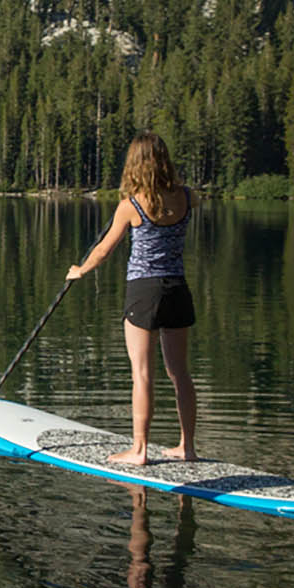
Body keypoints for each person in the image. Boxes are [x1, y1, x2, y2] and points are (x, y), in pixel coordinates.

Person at [66, 130, 198, 466]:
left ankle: (139, 450)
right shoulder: (188, 197)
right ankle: (187, 447)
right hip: (177, 289)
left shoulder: (131, 206)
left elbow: (104, 250)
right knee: (180, 373)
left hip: (144, 291)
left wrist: (80, 270)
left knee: (142, 373)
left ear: (135, 164)